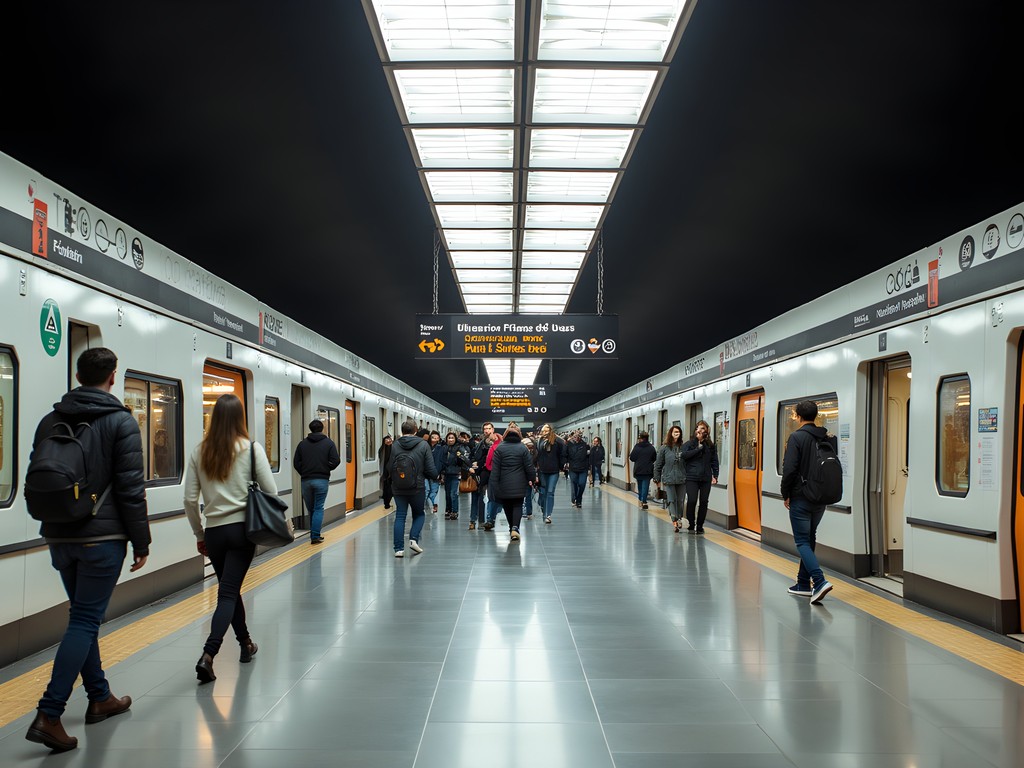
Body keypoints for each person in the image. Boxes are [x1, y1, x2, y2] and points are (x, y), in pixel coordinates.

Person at [26, 348, 150, 753]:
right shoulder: (121, 422)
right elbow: (130, 489)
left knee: (83, 615)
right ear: (113, 377)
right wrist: (142, 541)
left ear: (78, 375)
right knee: (84, 620)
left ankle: (100, 697)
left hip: (59, 536)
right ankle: (49, 714)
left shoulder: (50, 419)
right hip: (102, 538)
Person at [184, 394, 276, 683]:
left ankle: (246, 644)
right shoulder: (251, 450)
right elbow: (271, 491)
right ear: (240, 418)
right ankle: (208, 655)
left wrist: (199, 533)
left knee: (229, 589)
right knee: (227, 592)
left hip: (214, 532)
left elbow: (188, 499)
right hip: (241, 531)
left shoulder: (200, 451)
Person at [781, 401, 835, 604]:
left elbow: (790, 469)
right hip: (820, 498)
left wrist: (785, 493)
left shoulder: (796, 437)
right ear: (816, 415)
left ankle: (819, 581)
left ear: (798, 416)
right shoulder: (826, 436)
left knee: (802, 541)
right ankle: (803, 584)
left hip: (801, 496)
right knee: (809, 538)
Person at [388, 420, 436, 556]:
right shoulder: (423, 444)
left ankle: (398, 549)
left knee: (400, 516)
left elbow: (389, 466)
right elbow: (430, 468)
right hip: (417, 486)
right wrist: (434, 476)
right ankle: (413, 539)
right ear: (416, 430)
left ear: (402, 430)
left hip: (398, 485)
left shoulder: (395, 444)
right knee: (419, 514)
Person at [292, 419, 340, 545]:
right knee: (318, 507)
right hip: (322, 480)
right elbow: (336, 460)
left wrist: (304, 472)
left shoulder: (302, 444)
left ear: (310, 429)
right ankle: (315, 536)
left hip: (306, 480)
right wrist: (326, 467)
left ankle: (314, 533)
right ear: (322, 428)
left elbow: (296, 463)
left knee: (311, 508)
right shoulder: (329, 443)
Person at [488, 425, 536, 541]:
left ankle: (511, 528)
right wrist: (532, 479)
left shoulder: (500, 448)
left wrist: (494, 485)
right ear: (519, 435)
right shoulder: (523, 448)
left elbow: (495, 469)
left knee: (507, 506)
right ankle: (515, 528)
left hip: (503, 483)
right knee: (517, 505)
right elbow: (529, 467)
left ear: (505, 435)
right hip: (519, 482)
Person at [681, 420, 719, 534]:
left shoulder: (711, 446)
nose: (700, 430)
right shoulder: (689, 444)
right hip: (691, 477)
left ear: (707, 431)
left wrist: (715, 475)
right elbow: (684, 456)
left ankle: (700, 525)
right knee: (692, 500)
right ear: (695, 430)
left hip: (705, 478)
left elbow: (714, 461)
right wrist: (698, 448)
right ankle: (691, 524)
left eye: (703, 428)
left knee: (704, 501)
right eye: (698, 428)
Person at [653, 425, 688, 532]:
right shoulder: (664, 448)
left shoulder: (684, 447)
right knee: (672, 500)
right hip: (669, 479)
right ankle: (675, 521)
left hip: (682, 478)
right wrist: (657, 478)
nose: (677, 434)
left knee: (680, 500)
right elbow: (658, 464)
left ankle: (679, 518)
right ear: (670, 433)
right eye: (675, 432)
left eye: (678, 432)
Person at [535, 424, 566, 524]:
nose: (545, 432)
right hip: (542, 470)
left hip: (554, 471)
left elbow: (563, 454)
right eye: (543, 430)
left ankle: (548, 514)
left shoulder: (557, 441)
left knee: (550, 492)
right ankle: (544, 508)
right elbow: (537, 454)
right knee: (543, 492)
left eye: (547, 430)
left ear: (551, 431)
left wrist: (562, 466)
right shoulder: (539, 441)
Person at [438, 431, 470, 520]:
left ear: (455, 439)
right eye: (449, 438)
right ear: (446, 439)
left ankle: (454, 511)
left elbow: (464, 459)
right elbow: (441, 460)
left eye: (452, 438)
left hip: (456, 473)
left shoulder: (459, 448)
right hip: (446, 473)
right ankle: (448, 510)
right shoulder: (444, 448)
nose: (451, 439)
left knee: (453, 494)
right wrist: (441, 473)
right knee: (447, 494)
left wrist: (465, 468)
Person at [629, 431, 657, 509]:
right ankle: (644, 501)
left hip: (638, 469)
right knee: (646, 486)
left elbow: (632, 458)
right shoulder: (651, 447)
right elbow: (654, 458)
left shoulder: (637, 447)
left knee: (640, 486)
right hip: (648, 470)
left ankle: (641, 499)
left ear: (640, 438)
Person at [565, 431, 590, 508]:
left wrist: (589, 466)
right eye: (576, 437)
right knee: (574, 484)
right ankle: (575, 499)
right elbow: (565, 454)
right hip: (573, 468)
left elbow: (588, 456)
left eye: (579, 437)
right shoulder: (568, 445)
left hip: (583, 468)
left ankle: (578, 499)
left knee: (582, 484)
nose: (577, 438)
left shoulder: (585, 445)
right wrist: (566, 463)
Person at [426, 430, 443, 514]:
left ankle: (432, 506)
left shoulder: (440, 448)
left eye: (437, 437)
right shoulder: (425, 447)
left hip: (436, 473)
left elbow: (441, 462)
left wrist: (440, 473)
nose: (435, 438)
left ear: (439, 438)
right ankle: (430, 506)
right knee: (426, 491)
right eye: (433, 437)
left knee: (433, 491)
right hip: (425, 473)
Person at [378, 434, 394, 509]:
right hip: (385, 472)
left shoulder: (393, 449)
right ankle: (386, 503)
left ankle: (387, 502)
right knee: (386, 487)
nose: (388, 442)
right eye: (386, 440)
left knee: (390, 488)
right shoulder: (381, 450)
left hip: (392, 472)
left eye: (389, 440)